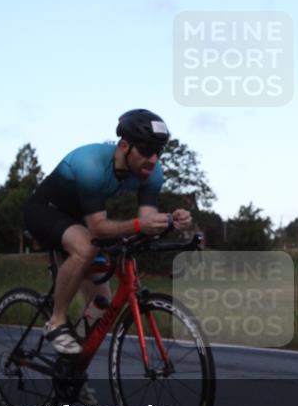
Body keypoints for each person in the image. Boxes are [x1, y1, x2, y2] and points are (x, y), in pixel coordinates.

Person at [24, 109, 193, 355]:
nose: (154, 159)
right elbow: (98, 228)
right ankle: (56, 322)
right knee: (86, 246)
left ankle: (71, 374)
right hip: (44, 211)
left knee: (102, 306)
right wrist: (138, 225)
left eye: (159, 151)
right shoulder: (92, 164)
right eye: (146, 150)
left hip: (78, 220)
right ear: (124, 146)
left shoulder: (152, 173)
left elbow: (146, 223)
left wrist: (169, 220)